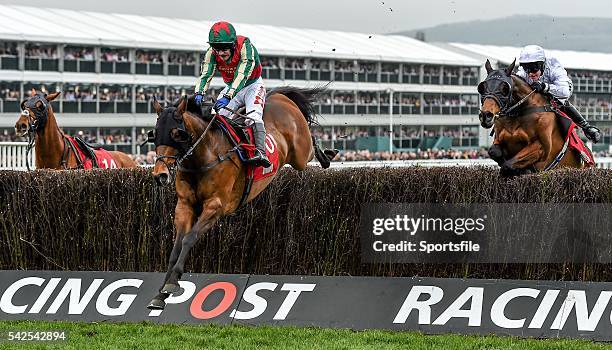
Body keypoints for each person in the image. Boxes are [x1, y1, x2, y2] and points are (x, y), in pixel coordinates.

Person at [194, 21, 271, 167]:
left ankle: (261, 152)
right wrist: (199, 92)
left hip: (252, 85)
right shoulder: (212, 52)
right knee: (216, 116)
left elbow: (242, 76)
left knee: (253, 117)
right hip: (231, 87)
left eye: (224, 48)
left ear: (233, 44)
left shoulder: (246, 47)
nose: (220, 53)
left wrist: (228, 96)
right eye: (217, 48)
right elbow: (205, 74)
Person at [517, 45, 601, 143]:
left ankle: (587, 127)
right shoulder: (523, 73)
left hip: (560, 89)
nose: (530, 73)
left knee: (559, 101)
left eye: (533, 68)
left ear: (542, 65)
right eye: (526, 69)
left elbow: (564, 92)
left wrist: (545, 87)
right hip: (538, 89)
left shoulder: (554, 67)